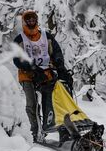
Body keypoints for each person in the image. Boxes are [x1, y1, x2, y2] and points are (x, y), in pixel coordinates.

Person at [12, 10, 70, 142]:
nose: (31, 22)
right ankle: (35, 132)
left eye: (33, 20)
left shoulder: (46, 36)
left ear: (36, 21)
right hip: (27, 75)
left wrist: (61, 67)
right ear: (25, 22)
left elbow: (56, 52)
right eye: (29, 20)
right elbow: (17, 59)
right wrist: (32, 69)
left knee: (52, 100)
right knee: (32, 103)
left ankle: (51, 126)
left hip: (46, 73)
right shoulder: (19, 39)